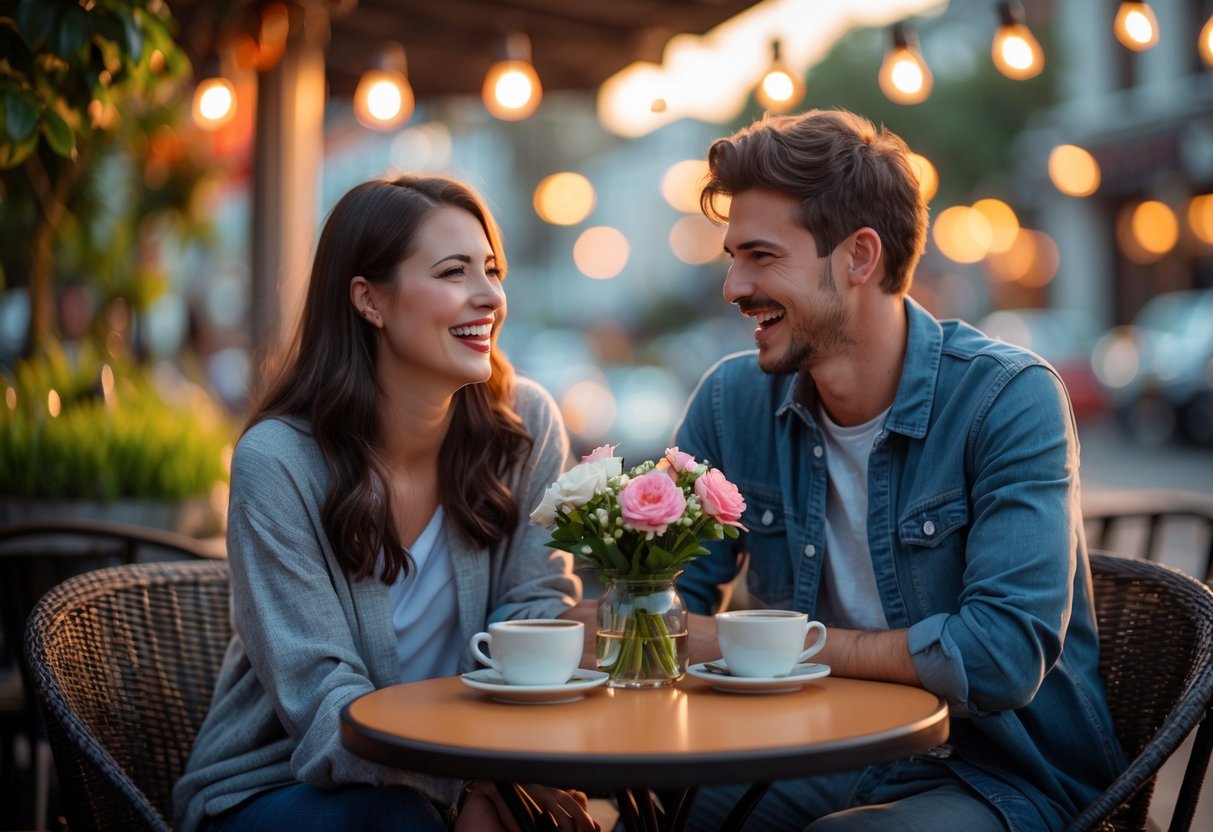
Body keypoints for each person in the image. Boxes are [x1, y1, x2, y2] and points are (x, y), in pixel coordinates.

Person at [672, 110, 1126, 831]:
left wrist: (766, 644)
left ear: (857, 257)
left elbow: (1000, 656)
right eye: (731, 256)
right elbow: (663, 603)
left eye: (759, 256)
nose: (731, 285)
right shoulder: (731, 403)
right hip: (811, 750)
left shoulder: (1006, 399)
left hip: (994, 771)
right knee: (665, 814)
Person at [173, 174, 600, 832]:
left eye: (492, 270)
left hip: (469, 776)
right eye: (454, 272)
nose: (489, 296)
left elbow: (533, 611)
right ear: (369, 300)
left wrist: (496, 774)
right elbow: (321, 704)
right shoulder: (277, 463)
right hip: (279, 786)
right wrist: (463, 786)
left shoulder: (524, 428)